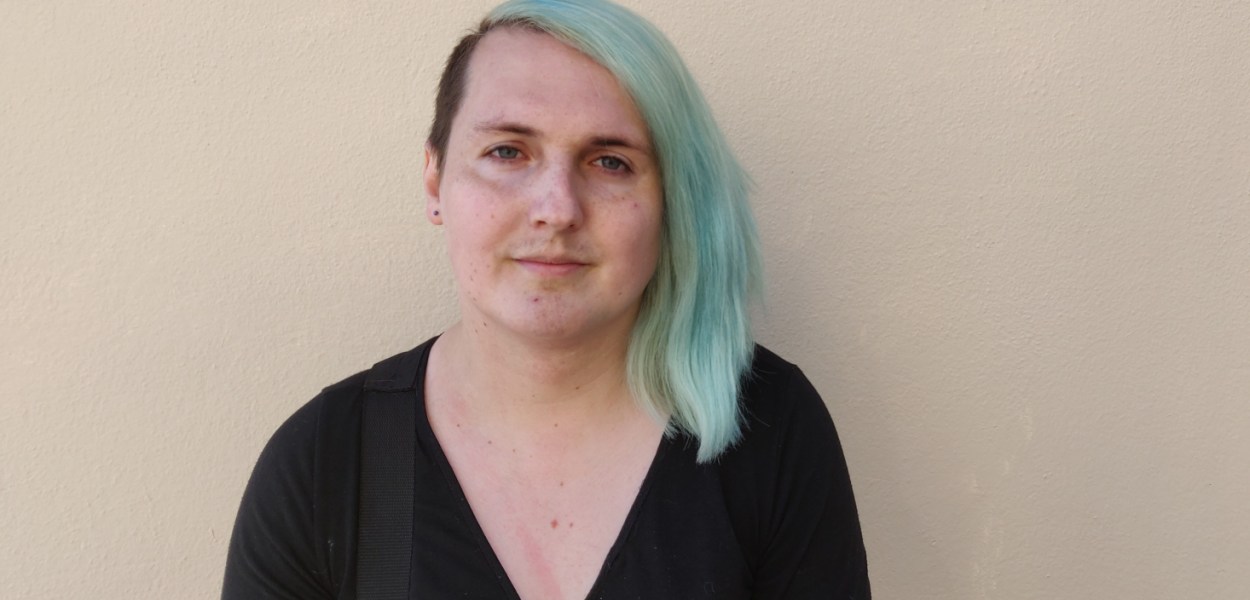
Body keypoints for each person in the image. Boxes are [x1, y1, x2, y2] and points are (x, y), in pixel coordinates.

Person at [222, 0, 870, 598]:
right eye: (507, 151)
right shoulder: (324, 467)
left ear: (670, 202)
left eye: (610, 161)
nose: (557, 209)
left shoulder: (771, 432)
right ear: (435, 181)